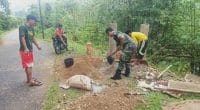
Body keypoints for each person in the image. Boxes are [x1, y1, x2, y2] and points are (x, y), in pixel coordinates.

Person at [19, 15, 42, 86]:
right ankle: (31, 81)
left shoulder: (31, 28)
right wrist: (26, 48)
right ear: (30, 20)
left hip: (29, 50)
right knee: (29, 65)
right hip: (25, 50)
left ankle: (29, 79)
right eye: (35, 21)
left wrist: (37, 45)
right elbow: (22, 37)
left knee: (27, 65)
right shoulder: (23, 27)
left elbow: (33, 38)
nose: (35, 23)